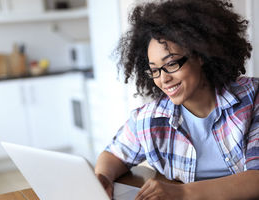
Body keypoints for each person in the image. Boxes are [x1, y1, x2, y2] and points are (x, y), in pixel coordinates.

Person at [95, 0, 259, 199]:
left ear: (200, 55)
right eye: (154, 70)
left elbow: (256, 178)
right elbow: (113, 155)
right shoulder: (150, 119)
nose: (163, 79)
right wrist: (102, 177)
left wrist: (182, 193)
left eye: (171, 64)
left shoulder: (252, 98)